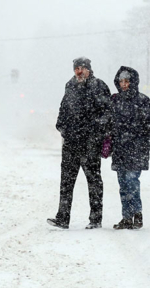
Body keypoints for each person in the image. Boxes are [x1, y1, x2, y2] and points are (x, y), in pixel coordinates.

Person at [48, 57, 112, 230]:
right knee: (66, 181)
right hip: (70, 142)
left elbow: (107, 112)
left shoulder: (99, 86)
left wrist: (96, 131)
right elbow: (63, 108)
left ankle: (95, 219)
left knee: (94, 181)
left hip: (90, 143)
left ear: (89, 69)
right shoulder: (70, 86)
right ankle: (62, 218)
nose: (79, 71)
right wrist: (61, 126)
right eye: (76, 68)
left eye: (82, 68)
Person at [109, 66, 150, 230]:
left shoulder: (142, 100)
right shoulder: (115, 100)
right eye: (121, 81)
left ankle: (137, 214)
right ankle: (126, 217)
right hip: (120, 149)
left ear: (133, 82)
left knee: (132, 182)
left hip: (137, 148)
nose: (124, 84)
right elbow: (107, 123)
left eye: (127, 81)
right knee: (123, 185)